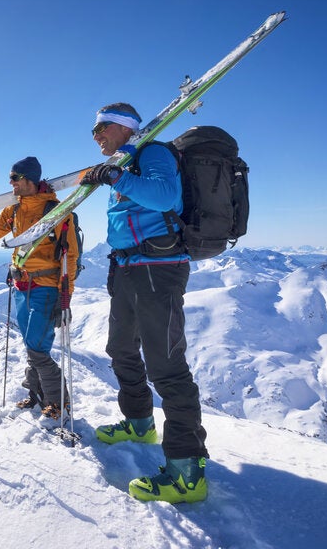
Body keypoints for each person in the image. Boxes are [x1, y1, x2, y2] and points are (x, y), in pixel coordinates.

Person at [80, 103, 209, 504]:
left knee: (167, 367)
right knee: (120, 348)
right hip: (128, 267)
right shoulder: (126, 160)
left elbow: (165, 195)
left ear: (123, 127)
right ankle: (139, 423)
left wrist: (117, 175)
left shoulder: (153, 152)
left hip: (158, 267)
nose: (95, 135)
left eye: (101, 127)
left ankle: (188, 473)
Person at [0, 156, 79, 420]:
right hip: (21, 286)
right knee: (31, 345)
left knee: (37, 346)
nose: (10, 183)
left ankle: (59, 403)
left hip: (46, 287)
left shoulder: (56, 212)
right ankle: (37, 397)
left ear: (28, 180)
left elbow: (70, 256)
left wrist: (65, 297)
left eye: (14, 178)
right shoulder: (13, 210)